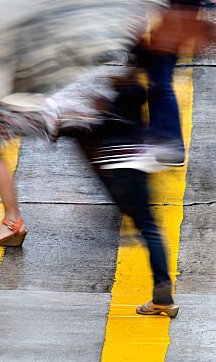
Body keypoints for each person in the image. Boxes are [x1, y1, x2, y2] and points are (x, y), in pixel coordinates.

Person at [71, 73, 179, 317]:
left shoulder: (114, 107)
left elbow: (84, 129)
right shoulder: (133, 104)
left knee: (145, 226)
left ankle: (163, 296)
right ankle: (162, 293)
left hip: (119, 167)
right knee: (150, 227)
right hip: (140, 163)